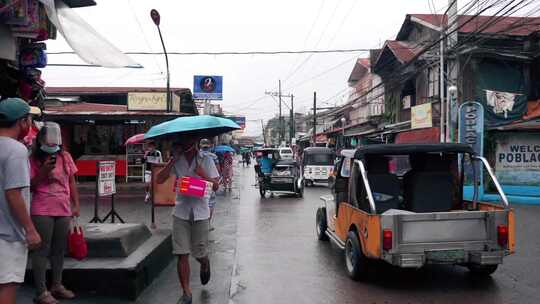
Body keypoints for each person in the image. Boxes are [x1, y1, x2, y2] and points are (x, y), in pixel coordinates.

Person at [156, 136, 219, 304]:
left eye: (189, 141)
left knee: (199, 253)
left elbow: (216, 186)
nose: (185, 144)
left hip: (200, 212)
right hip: (181, 211)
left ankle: (205, 263)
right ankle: (186, 293)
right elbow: (159, 180)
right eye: (183, 142)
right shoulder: (177, 160)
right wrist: (171, 161)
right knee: (182, 253)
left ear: (195, 142)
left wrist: (203, 174)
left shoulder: (206, 159)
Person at [29, 122, 80, 304]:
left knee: (59, 250)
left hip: (63, 208)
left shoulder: (65, 156)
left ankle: (57, 285)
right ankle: (41, 291)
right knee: (42, 250)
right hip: (42, 208)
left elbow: (72, 181)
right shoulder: (33, 159)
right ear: (41, 139)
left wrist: (76, 204)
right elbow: (31, 186)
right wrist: (43, 172)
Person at [0, 98, 42, 304]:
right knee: (7, 286)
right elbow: (13, 193)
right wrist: (30, 229)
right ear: (22, 122)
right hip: (8, 234)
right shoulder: (16, 151)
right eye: (30, 120)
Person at [199, 139, 220, 230]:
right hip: (210, 181)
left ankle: (197, 224)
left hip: (196, 182)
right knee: (210, 203)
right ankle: (207, 224)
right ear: (210, 146)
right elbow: (218, 169)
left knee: (198, 203)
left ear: (200, 146)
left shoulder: (196, 155)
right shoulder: (213, 156)